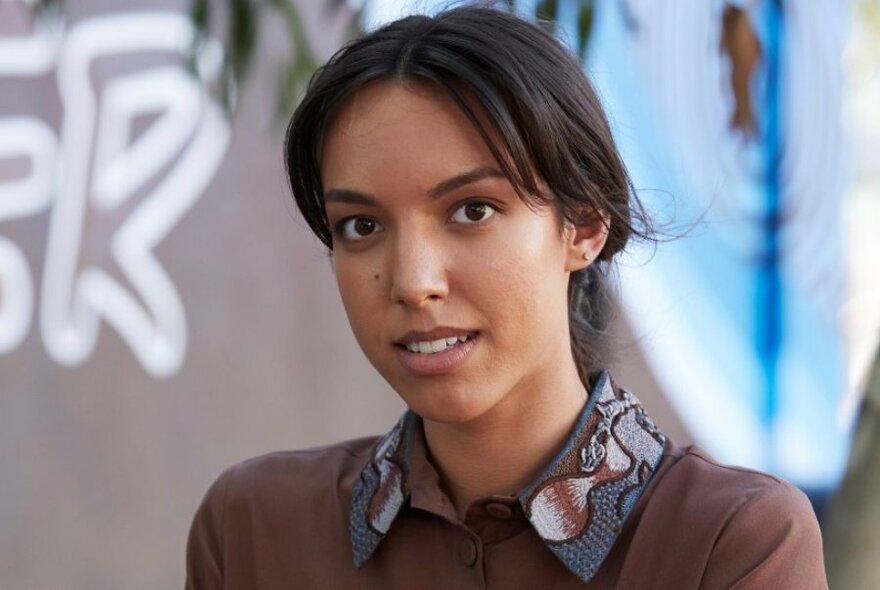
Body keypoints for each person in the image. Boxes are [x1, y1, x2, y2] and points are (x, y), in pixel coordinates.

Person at [185, 5, 827, 588]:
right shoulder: (253, 531)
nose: (414, 282)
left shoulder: (730, 540)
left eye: (472, 210)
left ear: (584, 224)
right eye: (362, 225)